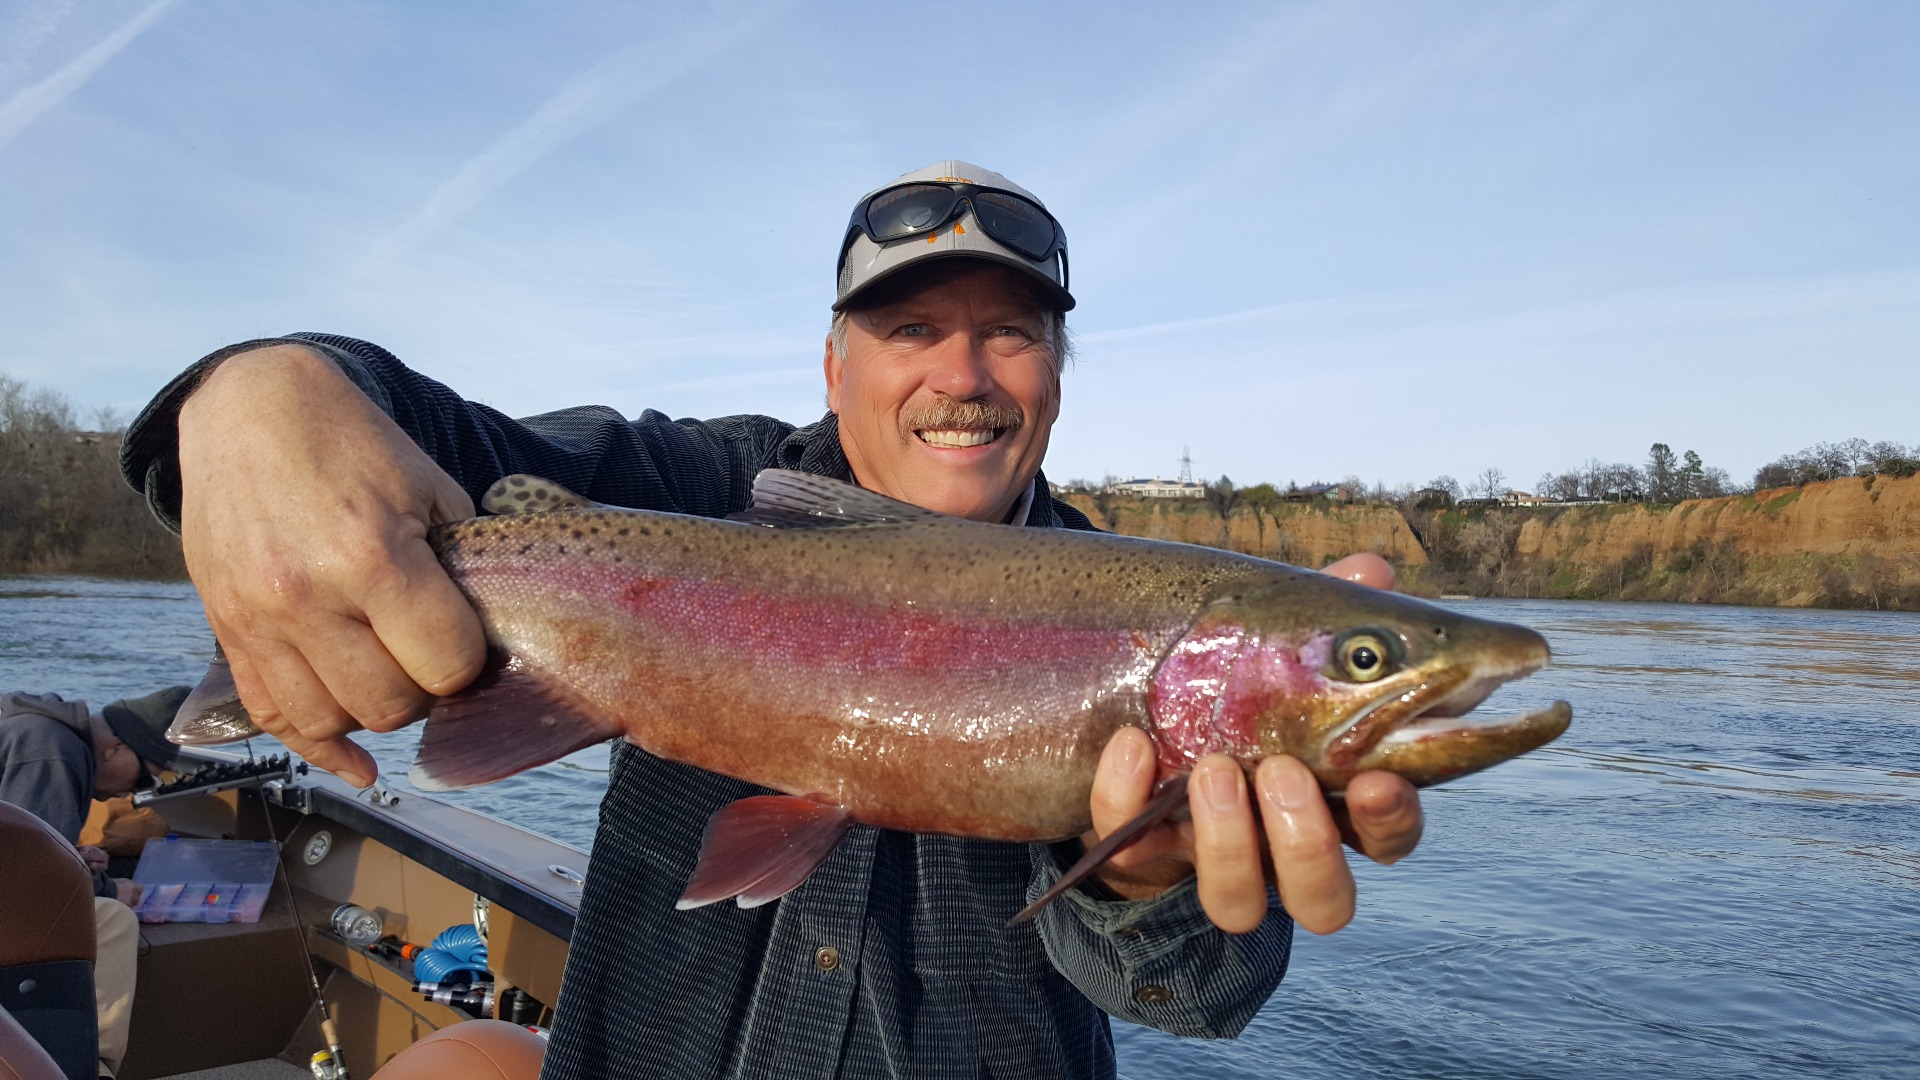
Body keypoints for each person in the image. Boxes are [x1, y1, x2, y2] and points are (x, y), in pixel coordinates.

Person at [123, 161, 1426, 1079]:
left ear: (1057, 382)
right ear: (834, 364)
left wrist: (1142, 876)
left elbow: (1200, 1006)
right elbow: (420, 435)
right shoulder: (688, 494)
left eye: (1011, 336)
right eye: (913, 326)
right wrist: (254, 392)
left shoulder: (1143, 614)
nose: (962, 377)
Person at [0, 685, 190, 1078]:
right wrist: (107, 889)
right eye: (143, 779)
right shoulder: (50, 746)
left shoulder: (40, 731)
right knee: (114, 920)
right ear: (116, 747)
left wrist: (74, 855)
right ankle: (85, 1067)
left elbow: (22, 842)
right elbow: (33, 877)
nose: (132, 793)